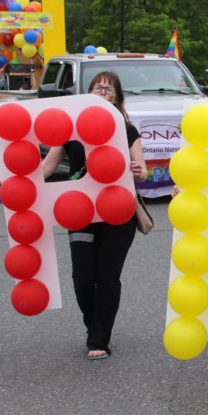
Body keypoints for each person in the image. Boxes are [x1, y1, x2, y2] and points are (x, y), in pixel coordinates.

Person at [40, 71, 148, 360]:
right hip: (80, 213)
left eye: (109, 90)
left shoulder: (126, 130)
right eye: (98, 88)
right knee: (83, 277)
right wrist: (16, 178)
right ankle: (95, 326)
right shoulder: (68, 130)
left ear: (117, 97)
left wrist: (139, 170)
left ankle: (99, 338)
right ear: (88, 93)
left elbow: (143, 168)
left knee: (107, 275)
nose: (103, 93)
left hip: (118, 212)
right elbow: (48, 166)